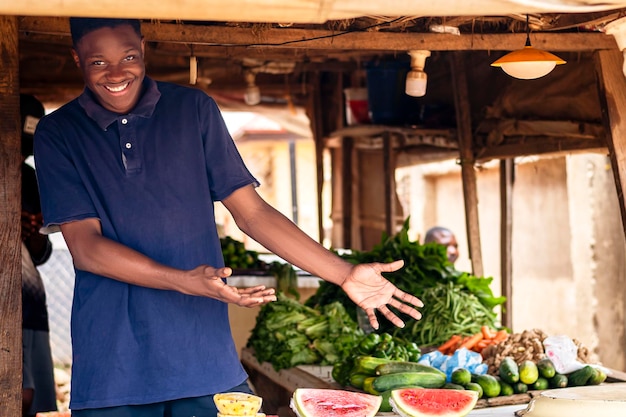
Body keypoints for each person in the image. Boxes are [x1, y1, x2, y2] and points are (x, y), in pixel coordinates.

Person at [32, 18, 423, 417]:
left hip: (204, 359)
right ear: (76, 58)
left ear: (144, 49)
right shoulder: (57, 132)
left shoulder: (192, 109)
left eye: (128, 57)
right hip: (113, 368)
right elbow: (86, 249)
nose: (117, 74)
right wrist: (183, 281)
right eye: (99, 62)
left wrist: (342, 274)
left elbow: (251, 213)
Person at [20, 93, 58, 417]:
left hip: (30, 301)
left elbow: (41, 253)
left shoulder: (31, 177)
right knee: (21, 393)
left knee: (35, 401)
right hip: (7, 302)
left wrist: (32, 232)